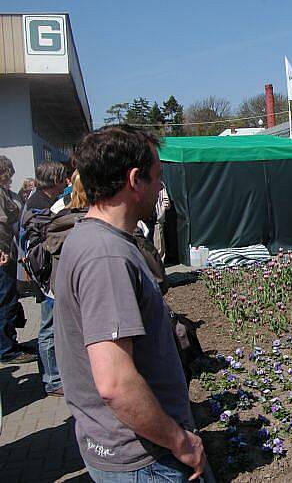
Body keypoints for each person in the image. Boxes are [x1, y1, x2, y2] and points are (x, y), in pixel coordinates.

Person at [54, 127, 205, 481]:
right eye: (158, 178)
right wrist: (180, 440)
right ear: (135, 179)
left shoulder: (92, 238)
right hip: (144, 459)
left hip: (129, 450)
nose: (160, 189)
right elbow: (115, 384)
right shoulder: (105, 257)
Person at [21, 161, 68, 396]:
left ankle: (53, 375)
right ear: (54, 179)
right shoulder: (39, 206)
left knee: (51, 326)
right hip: (47, 275)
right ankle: (52, 379)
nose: (67, 181)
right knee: (48, 328)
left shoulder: (43, 201)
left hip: (47, 272)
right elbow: (33, 242)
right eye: (63, 177)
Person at [0, 156, 35, 365]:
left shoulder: (4, 192)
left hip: (7, 252)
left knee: (8, 299)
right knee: (5, 301)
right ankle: (6, 349)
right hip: (3, 255)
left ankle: (9, 343)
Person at [154, 182, 171, 260]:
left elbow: (166, 201)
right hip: (145, 218)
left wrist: (161, 211)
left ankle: (160, 264)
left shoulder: (160, 184)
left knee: (159, 243)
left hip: (157, 218)